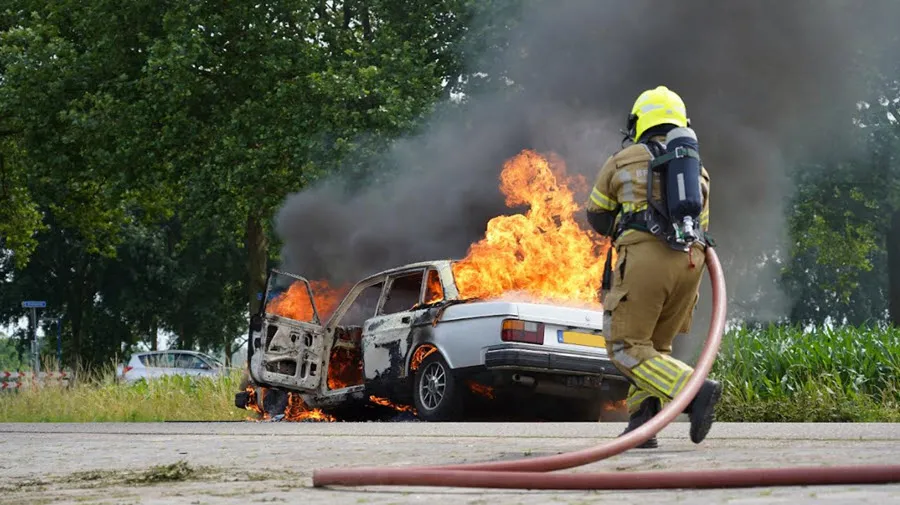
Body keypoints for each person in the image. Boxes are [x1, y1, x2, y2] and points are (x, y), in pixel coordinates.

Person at [585, 85, 722, 449]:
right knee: (654, 349)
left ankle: (694, 393)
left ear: (639, 121)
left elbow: (596, 214)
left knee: (626, 346)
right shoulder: (699, 171)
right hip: (690, 264)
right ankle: (642, 424)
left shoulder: (624, 159)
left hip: (645, 259)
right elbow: (702, 225)